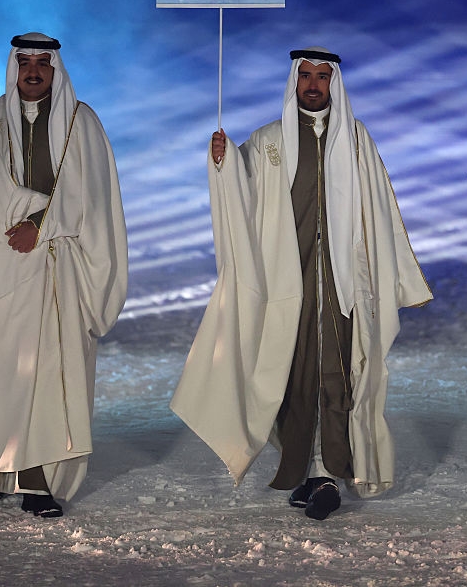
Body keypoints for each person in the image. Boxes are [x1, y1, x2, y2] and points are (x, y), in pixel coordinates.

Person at [171, 47, 432, 520]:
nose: (313, 85)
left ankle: (324, 473)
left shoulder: (355, 140)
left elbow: (380, 209)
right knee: (289, 377)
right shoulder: (268, 140)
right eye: (306, 76)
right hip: (284, 282)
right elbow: (240, 198)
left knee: (336, 372)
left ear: (334, 83)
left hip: (342, 281)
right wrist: (223, 164)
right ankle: (307, 472)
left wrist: (393, 278)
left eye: (322, 77)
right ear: (294, 80)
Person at [0, 33, 128, 518]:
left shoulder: (81, 123)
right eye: (25, 62)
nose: (34, 71)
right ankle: (0, 467)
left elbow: (96, 196)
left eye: (43, 63)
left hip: (56, 268)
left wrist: (40, 225)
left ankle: (39, 480)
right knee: (2, 369)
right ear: (14, 66)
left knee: (47, 371)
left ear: (56, 69)